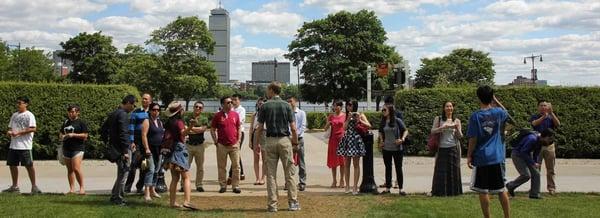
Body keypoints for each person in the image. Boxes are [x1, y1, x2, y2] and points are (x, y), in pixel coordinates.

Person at [467, 85, 512, 218]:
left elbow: (473, 138)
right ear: (492, 97)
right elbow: (506, 113)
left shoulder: (475, 116)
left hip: (482, 157)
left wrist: (469, 155)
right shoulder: (498, 113)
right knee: (501, 189)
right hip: (497, 156)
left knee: (483, 190)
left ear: (478, 97)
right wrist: (496, 100)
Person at [255, 81, 300, 212]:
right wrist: (295, 143)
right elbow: (293, 128)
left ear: (271, 90)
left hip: (270, 140)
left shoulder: (265, 106)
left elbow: (259, 127)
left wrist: (256, 143)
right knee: (290, 173)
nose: (266, 91)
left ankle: (272, 205)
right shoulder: (287, 106)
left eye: (267, 89)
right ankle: (293, 203)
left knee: (271, 174)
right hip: (285, 140)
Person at [163, 101, 197, 210]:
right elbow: (183, 133)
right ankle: (187, 201)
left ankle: (172, 202)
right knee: (186, 177)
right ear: (179, 111)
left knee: (174, 178)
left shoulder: (169, 122)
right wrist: (191, 125)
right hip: (179, 148)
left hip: (171, 148)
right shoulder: (179, 122)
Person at [3, 96, 40, 194]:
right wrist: (9, 132)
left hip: (25, 146)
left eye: (20, 103)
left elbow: (33, 128)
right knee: (12, 165)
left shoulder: (29, 115)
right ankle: (15, 187)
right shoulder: (14, 115)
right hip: (14, 145)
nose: (18, 105)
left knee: (29, 165)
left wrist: (18, 133)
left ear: (26, 104)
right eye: (17, 103)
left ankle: (34, 187)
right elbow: (10, 128)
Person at [506, 129, 555, 199]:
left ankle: (534, 194)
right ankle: (510, 185)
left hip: (526, 155)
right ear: (544, 136)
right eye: (549, 138)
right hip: (517, 155)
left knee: (536, 173)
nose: (550, 140)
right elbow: (523, 152)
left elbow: (536, 153)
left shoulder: (541, 142)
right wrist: (533, 163)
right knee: (526, 175)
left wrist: (535, 162)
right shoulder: (532, 139)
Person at [105, 95, 136, 206]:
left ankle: (114, 195)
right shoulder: (122, 114)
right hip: (122, 149)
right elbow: (123, 133)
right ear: (128, 102)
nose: (133, 107)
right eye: (133, 104)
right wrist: (125, 151)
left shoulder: (114, 113)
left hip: (115, 147)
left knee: (121, 174)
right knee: (124, 173)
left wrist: (109, 143)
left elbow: (103, 129)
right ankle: (118, 198)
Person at [430, 101, 463, 196]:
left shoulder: (456, 120)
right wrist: (442, 127)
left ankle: (453, 192)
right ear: (444, 108)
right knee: (441, 171)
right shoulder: (438, 119)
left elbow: (460, 136)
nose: (449, 108)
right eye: (447, 106)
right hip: (441, 148)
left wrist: (456, 128)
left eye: (451, 106)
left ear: (453, 108)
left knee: (453, 171)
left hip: (453, 148)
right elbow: (433, 131)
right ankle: (440, 192)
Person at [337, 99, 370, 194]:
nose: (348, 106)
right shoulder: (346, 115)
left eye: (350, 105)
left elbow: (369, 125)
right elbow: (344, 128)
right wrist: (348, 119)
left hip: (356, 140)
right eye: (347, 104)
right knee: (346, 164)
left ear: (355, 105)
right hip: (348, 139)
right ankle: (347, 186)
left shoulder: (360, 114)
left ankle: (355, 187)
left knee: (356, 164)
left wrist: (359, 120)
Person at [211, 96, 242, 194]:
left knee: (236, 166)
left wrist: (239, 140)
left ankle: (235, 186)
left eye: (231, 102)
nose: (230, 104)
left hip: (234, 145)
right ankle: (223, 185)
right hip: (222, 145)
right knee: (221, 167)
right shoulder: (217, 115)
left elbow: (238, 128)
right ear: (223, 104)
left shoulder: (235, 115)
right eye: (228, 102)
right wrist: (215, 141)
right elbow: (212, 129)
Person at [530, 100, 560, 195]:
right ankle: (535, 189)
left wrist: (551, 113)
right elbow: (534, 124)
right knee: (536, 169)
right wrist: (544, 116)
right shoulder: (535, 117)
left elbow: (558, 124)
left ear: (548, 107)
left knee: (550, 169)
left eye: (545, 105)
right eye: (541, 105)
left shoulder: (551, 117)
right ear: (538, 107)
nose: (543, 107)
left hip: (549, 146)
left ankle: (551, 188)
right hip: (537, 146)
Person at [377, 104, 408, 196]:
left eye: (384, 110)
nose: (383, 111)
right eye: (382, 110)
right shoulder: (383, 121)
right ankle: (387, 188)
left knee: (398, 168)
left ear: (390, 110)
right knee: (388, 168)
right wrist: (382, 141)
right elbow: (380, 131)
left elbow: (406, 130)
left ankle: (401, 189)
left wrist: (402, 139)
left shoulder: (397, 120)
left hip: (397, 148)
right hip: (386, 148)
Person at [125, 93, 152, 194]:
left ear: (150, 101)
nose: (144, 100)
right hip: (138, 144)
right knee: (133, 166)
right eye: (143, 99)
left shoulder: (152, 112)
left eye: (146, 99)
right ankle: (127, 187)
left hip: (148, 145)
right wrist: (132, 142)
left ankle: (139, 187)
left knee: (144, 166)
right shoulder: (135, 112)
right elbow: (131, 127)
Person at [60, 104, 89, 195]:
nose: (71, 113)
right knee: (70, 170)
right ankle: (72, 189)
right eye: (69, 112)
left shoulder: (81, 123)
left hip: (78, 148)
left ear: (77, 112)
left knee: (76, 168)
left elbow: (85, 135)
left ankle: (82, 188)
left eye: (73, 112)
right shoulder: (65, 123)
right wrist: (62, 136)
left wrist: (74, 135)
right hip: (66, 148)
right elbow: (60, 134)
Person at [183, 101, 209, 192]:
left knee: (200, 167)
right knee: (185, 166)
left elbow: (203, 130)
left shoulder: (204, 118)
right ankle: (183, 185)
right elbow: (186, 130)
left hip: (200, 146)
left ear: (202, 109)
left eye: (200, 107)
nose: (198, 108)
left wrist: (191, 128)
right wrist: (194, 129)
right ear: (193, 107)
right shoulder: (187, 117)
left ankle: (199, 185)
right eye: (196, 106)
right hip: (188, 145)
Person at [323, 101, 346, 188]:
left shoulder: (345, 116)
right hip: (333, 140)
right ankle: (334, 180)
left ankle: (342, 180)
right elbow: (325, 129)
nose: (335, 108)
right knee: (333, 161)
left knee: (342, 161)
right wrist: (328, 124)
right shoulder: (331, 116)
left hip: (342, 139)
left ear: (341, 107)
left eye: (336, 106)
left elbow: (346, 127)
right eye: (334, 106)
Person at [288, 96, 308, 191]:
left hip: (299, 139)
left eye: (290, 101)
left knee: (301, 161)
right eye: (288, 101)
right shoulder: (287, 113)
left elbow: (303, 126)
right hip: (289, 139)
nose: (289, 103)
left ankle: (302, 182)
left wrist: (295, 135)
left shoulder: (301, 113)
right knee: (288, 161)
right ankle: (288, 182)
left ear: (295, 102)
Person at [227, 94, 246, 184]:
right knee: (236, 153)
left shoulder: (241, 110)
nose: (233, 102)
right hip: (231, 133)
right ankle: (241, 172)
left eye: (235, 100)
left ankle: (231, 175)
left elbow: (238, 121)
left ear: (239, 100)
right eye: (232, 100)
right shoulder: (230, 109)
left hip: (239, 133)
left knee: (235, 152)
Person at [249, 97, 267, 185]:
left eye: (262, 103)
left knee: (265, 158)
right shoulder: (255, 114)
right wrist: (250, 140)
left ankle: (263, 178)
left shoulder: (268, 114)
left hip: (265, 133)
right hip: (256, 133)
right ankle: (257, 178)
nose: (261, 105)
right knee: (256, 157)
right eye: (259, 103)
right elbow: (251, 128)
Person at [146, 103, 163, 198]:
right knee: (151, 170)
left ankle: (153, 190)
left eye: (158, 110)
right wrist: (146, 148)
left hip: (159, 149)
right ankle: (147, 193)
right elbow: (144, 135)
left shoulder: (160, 122)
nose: (156, 111)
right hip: (151, 149)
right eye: (154, 109)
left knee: (156, 170)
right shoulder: (147, 121)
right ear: (150, 110)